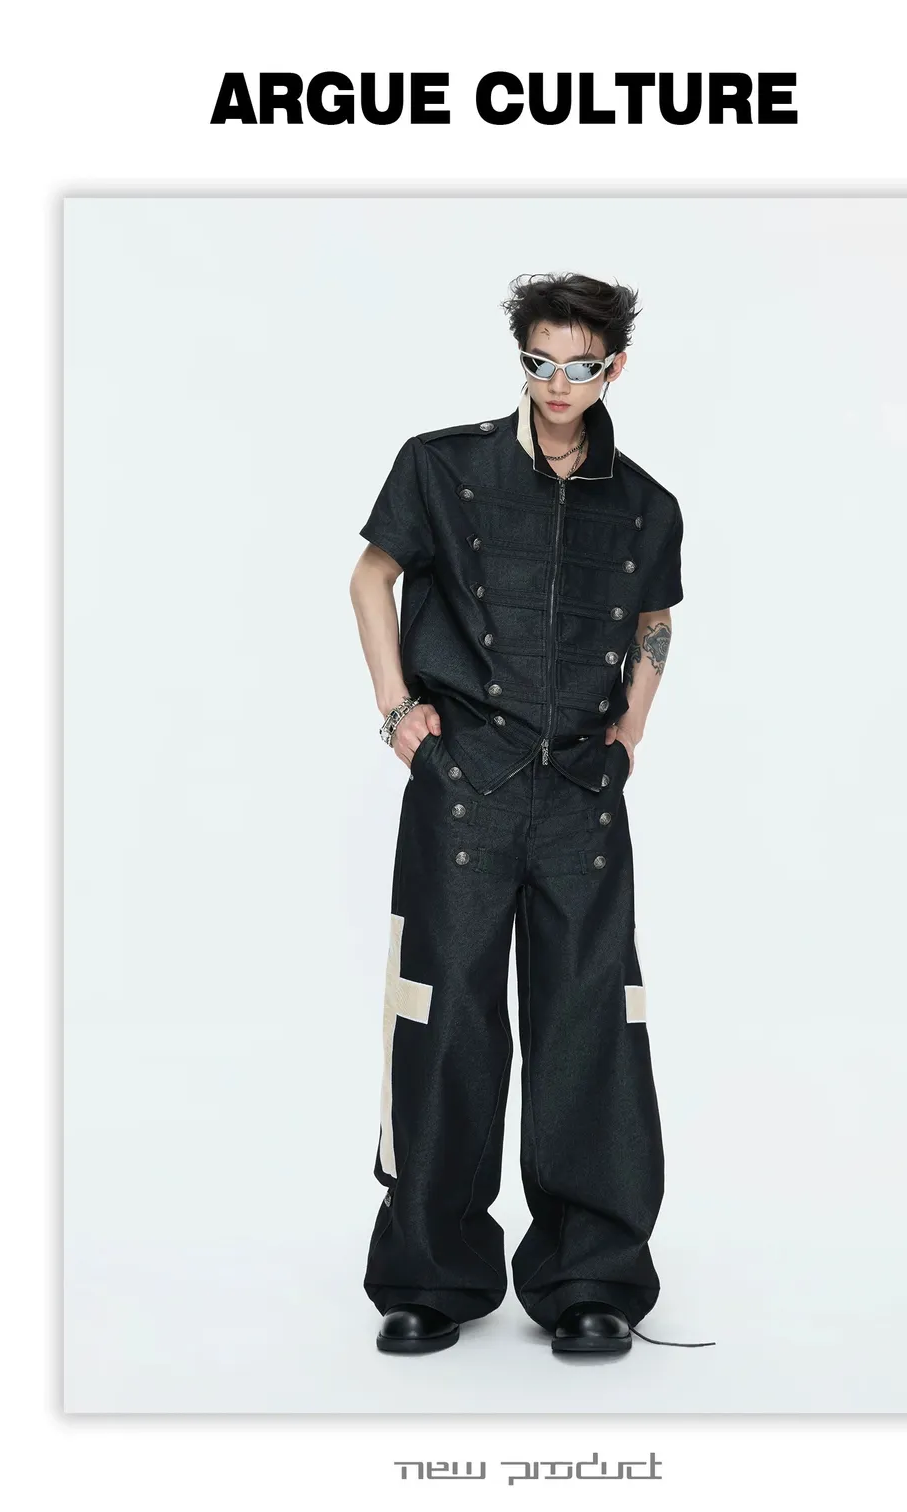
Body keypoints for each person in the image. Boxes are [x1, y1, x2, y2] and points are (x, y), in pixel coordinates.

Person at [348, 271, 683, 1357]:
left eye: (579, 365)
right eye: (540, 361)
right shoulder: (442, 465)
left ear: (614, 367)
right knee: (442, 1022)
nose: (557, 383)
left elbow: (654, 619)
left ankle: (591, 1276)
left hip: (582, 797)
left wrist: (631, 731)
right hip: (464, 786)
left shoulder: (647, 504)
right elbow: (370, 578)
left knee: (593, 1028)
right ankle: (429, 1273)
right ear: (523, 359)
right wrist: (397, 711)